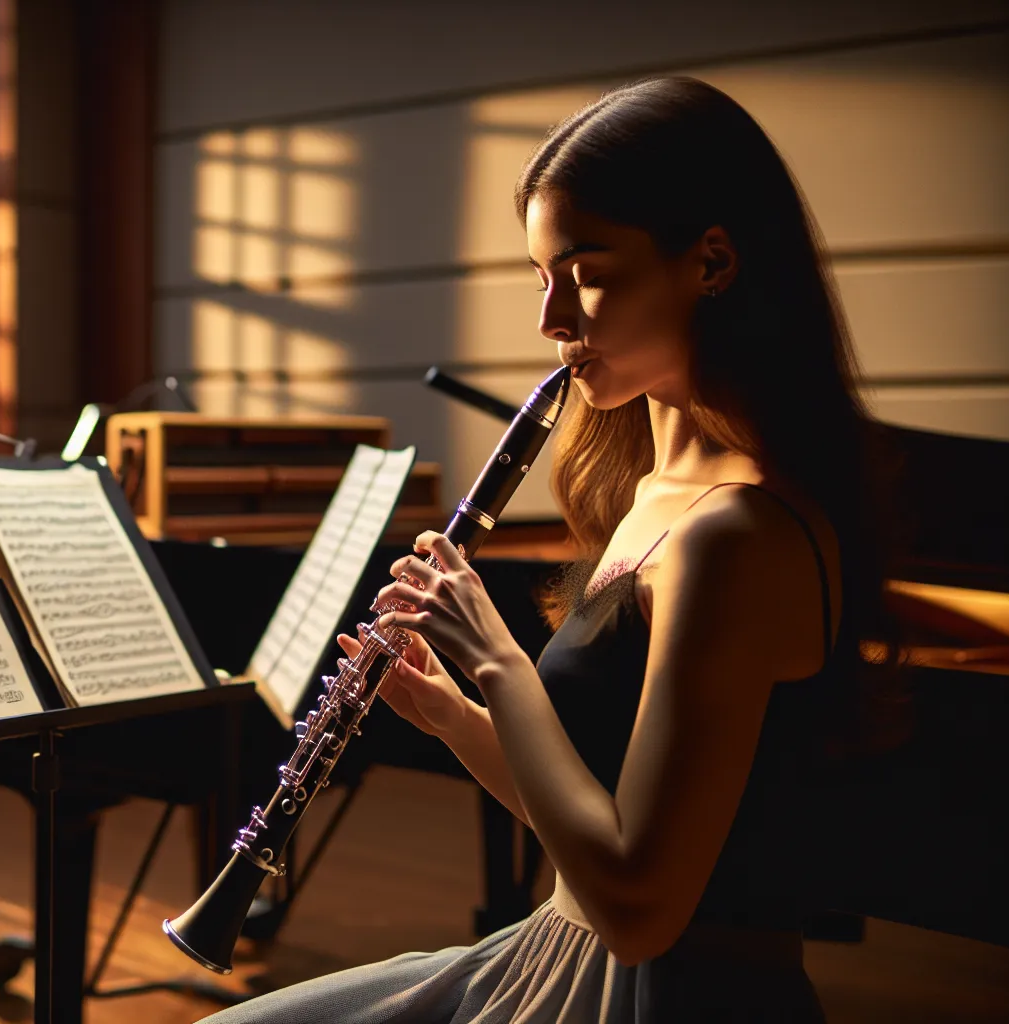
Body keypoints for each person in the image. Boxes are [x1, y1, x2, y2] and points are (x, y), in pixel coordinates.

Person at [199, 76, 903, 1023]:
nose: (551, 320)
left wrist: (498, 662)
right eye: (542, 278)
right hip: (559, 952)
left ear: (712, 262)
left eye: (585, 273)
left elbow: (640, 911)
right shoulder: (653, 497)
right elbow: (587, 822)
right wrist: (453, 715)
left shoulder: (737, 539)